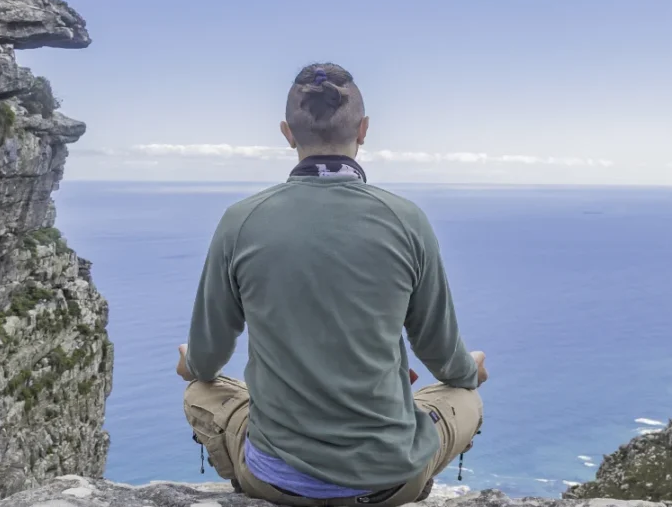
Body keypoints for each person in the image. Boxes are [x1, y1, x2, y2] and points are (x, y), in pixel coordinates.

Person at [177, 63, 487, 507]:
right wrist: (470, 370)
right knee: (463, 396)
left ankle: (252, 481)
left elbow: (205, 362)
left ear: (287, 133)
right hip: (394, 483)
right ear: (363, 130)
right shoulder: (407, 220)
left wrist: (193, 363)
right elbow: (443, 357)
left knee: (200, 392)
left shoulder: (240, 221)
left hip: (276, 483)